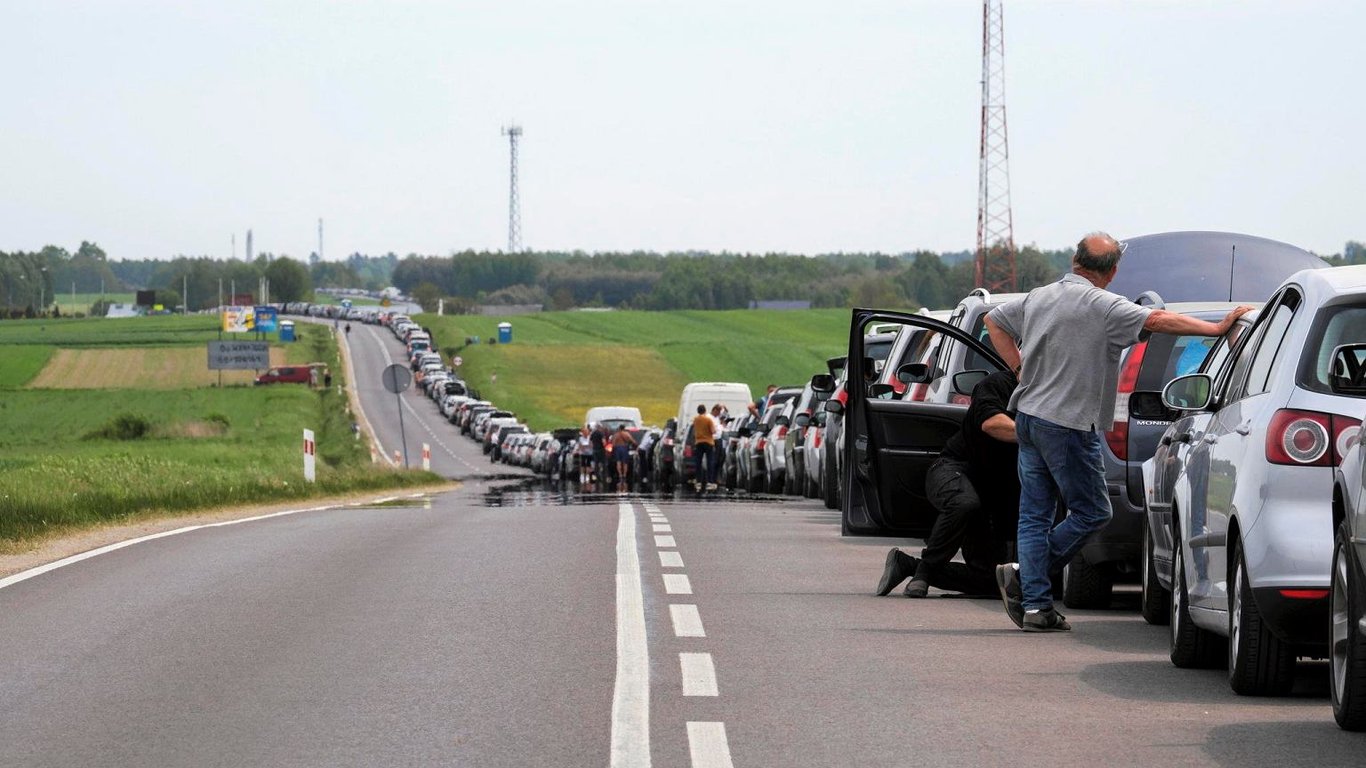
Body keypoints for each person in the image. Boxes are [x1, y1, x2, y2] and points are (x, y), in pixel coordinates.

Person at [984, 232, 1253, 632]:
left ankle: (1037, 605)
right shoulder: (1104, 304)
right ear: (1111, 272)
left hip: (1028, 416)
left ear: (1075, 262)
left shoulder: (1039, 296)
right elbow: (1158, 320)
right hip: (1068, 423)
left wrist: (1020, 369)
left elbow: (993, 320)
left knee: (1034, 514)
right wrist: (1216, 330)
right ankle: (1026, 577)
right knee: (1093, 511)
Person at [876, 371, 1019, 598]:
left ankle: (907, 565)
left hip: (990, 501)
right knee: (964, 502)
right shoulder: (998, 384)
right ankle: (923, 573)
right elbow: (991, 423)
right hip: (952, 468)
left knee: (992, 583)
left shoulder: (1051, 397)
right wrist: (1038, 433)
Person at [691, 404, 717, 491]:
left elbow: (694, 428)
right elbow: (713, 431)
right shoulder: (708, 419)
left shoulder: (695, 419)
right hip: (708, 442)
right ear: (705, 411)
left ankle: (698, 481)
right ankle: (710, 481)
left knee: (698, 462)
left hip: (698, 442)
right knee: (710, 462)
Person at [611, 425, 638, 493]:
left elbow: (613, 443)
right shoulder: (626, 434)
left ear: (619, 428)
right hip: (624, 448)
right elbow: (632, 441)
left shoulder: (616, 434)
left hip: (618, 448)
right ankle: (624, 474)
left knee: (618, 462)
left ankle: (620, 474)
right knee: (625, 462)